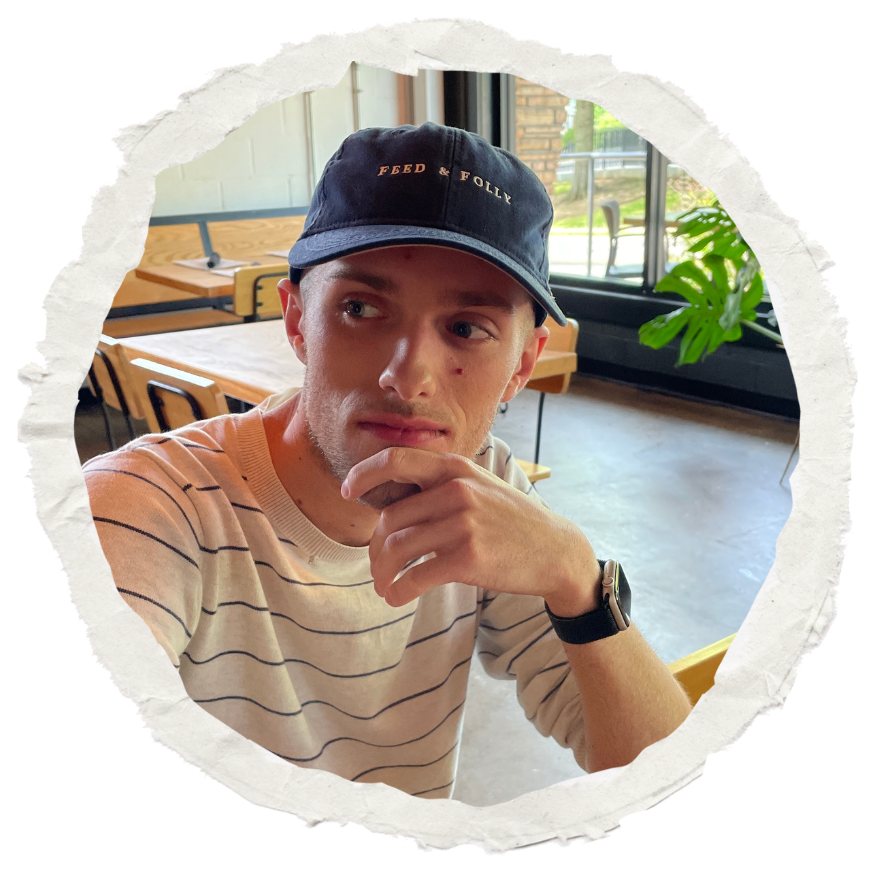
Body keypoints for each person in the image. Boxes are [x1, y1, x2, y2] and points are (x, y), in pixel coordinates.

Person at [84, 122, 691, 799]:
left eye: (466, 327)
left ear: (522, 362)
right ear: (296, 323)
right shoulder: (147, 508)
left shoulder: (484, 495)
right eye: (360, 307)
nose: (409, 377)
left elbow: (658, 769)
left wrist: (576, 574)